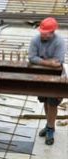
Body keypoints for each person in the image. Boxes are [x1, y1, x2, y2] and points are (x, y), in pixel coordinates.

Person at [28, 17, 66, 146]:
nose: (42, 35)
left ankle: (50, 128)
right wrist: (48, 63)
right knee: (45, 100)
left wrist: (41, 62)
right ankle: (50, 125)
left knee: (52, 103)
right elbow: (31, 58)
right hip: (41, 77)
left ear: (52, 32)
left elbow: (59, 62)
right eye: (41, 32)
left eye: (45, 33)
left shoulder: (59, 42)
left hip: (55, 78)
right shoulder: (35, 40)